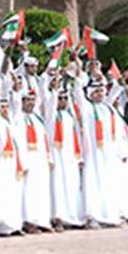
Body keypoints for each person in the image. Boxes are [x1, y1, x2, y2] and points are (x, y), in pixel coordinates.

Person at [74, 59, 123, 229]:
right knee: (93, 183)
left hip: (108, 153)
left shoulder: (108, 109)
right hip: (93, 154)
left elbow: (116, 89)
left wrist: (107, 77)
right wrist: (80, 71)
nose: (100, 94)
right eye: (96, 91)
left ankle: (109, 216)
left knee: (109, 182)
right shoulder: (87, 108)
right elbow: (78, 92)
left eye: (102, 91)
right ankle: (92, 216)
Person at [0, 77, 27, 236]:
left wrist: (16, 90)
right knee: (3, 193)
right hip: (1, 162)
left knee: (14, 193)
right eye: (2, 107)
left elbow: (17, 109)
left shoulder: (10, 122)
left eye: (6, 107)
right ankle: (4, 226)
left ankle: (15, 225)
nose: (5, 109)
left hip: (12, 162)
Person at [44, 85, 84, 231]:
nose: (62, 101)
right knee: (58, 187)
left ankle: (72, 217)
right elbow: (50, 107)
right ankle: (58, 218)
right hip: (56, 157)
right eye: (60, 98)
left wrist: (79, 158)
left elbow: (76, 137)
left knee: (72, 186)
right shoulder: (51, 116)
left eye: (65, 99)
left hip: (70, 158)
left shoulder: (69, 117)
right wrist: (54, 90)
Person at [17, 89, 53, 233]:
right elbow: (19, 142)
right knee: (29, 191)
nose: (30, 103)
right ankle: (28, 221)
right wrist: (23, 162)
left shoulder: (38, 118)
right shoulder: (18, 118)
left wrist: (49, 157)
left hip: (40, 159)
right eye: (27, 100)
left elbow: (45, 139)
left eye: (32, 100)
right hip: (28, 160)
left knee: (41, 190)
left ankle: (42, 221)